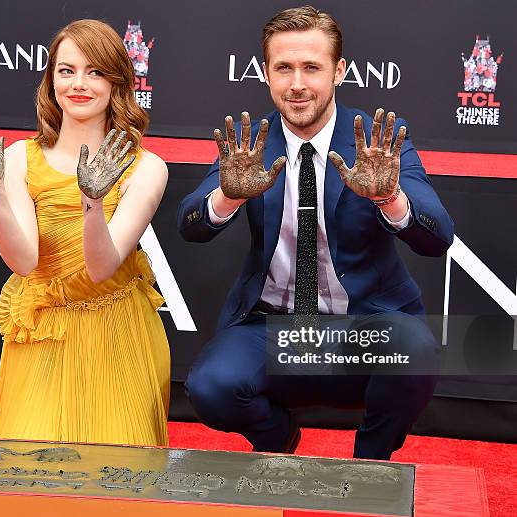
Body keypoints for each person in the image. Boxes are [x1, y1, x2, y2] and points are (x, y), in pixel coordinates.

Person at [178, 6, 454, 460]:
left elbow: (437, 235)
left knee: (415, 350)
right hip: (270, 330)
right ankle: (277, 437)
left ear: (339, 72)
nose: (298, 83)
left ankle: (371, 461)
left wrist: (390, 198)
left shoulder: (379, 140)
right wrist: (227, 197)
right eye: (283, 68)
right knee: (211, 387)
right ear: (266, 73)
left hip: (361, 330)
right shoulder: (252, 144)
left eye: (312, 67)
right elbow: (190, 225)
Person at [0, 19, 170, 446]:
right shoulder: (17, 158)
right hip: (41, 332)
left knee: (119, 479)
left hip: (118, 332)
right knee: (27, 469)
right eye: (66, 71)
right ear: (50, 81)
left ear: (117, 83)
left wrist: (92, 202)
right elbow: (24, 261)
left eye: (95, 71)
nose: (79, 84)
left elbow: (103, 266)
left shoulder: (146, 168)